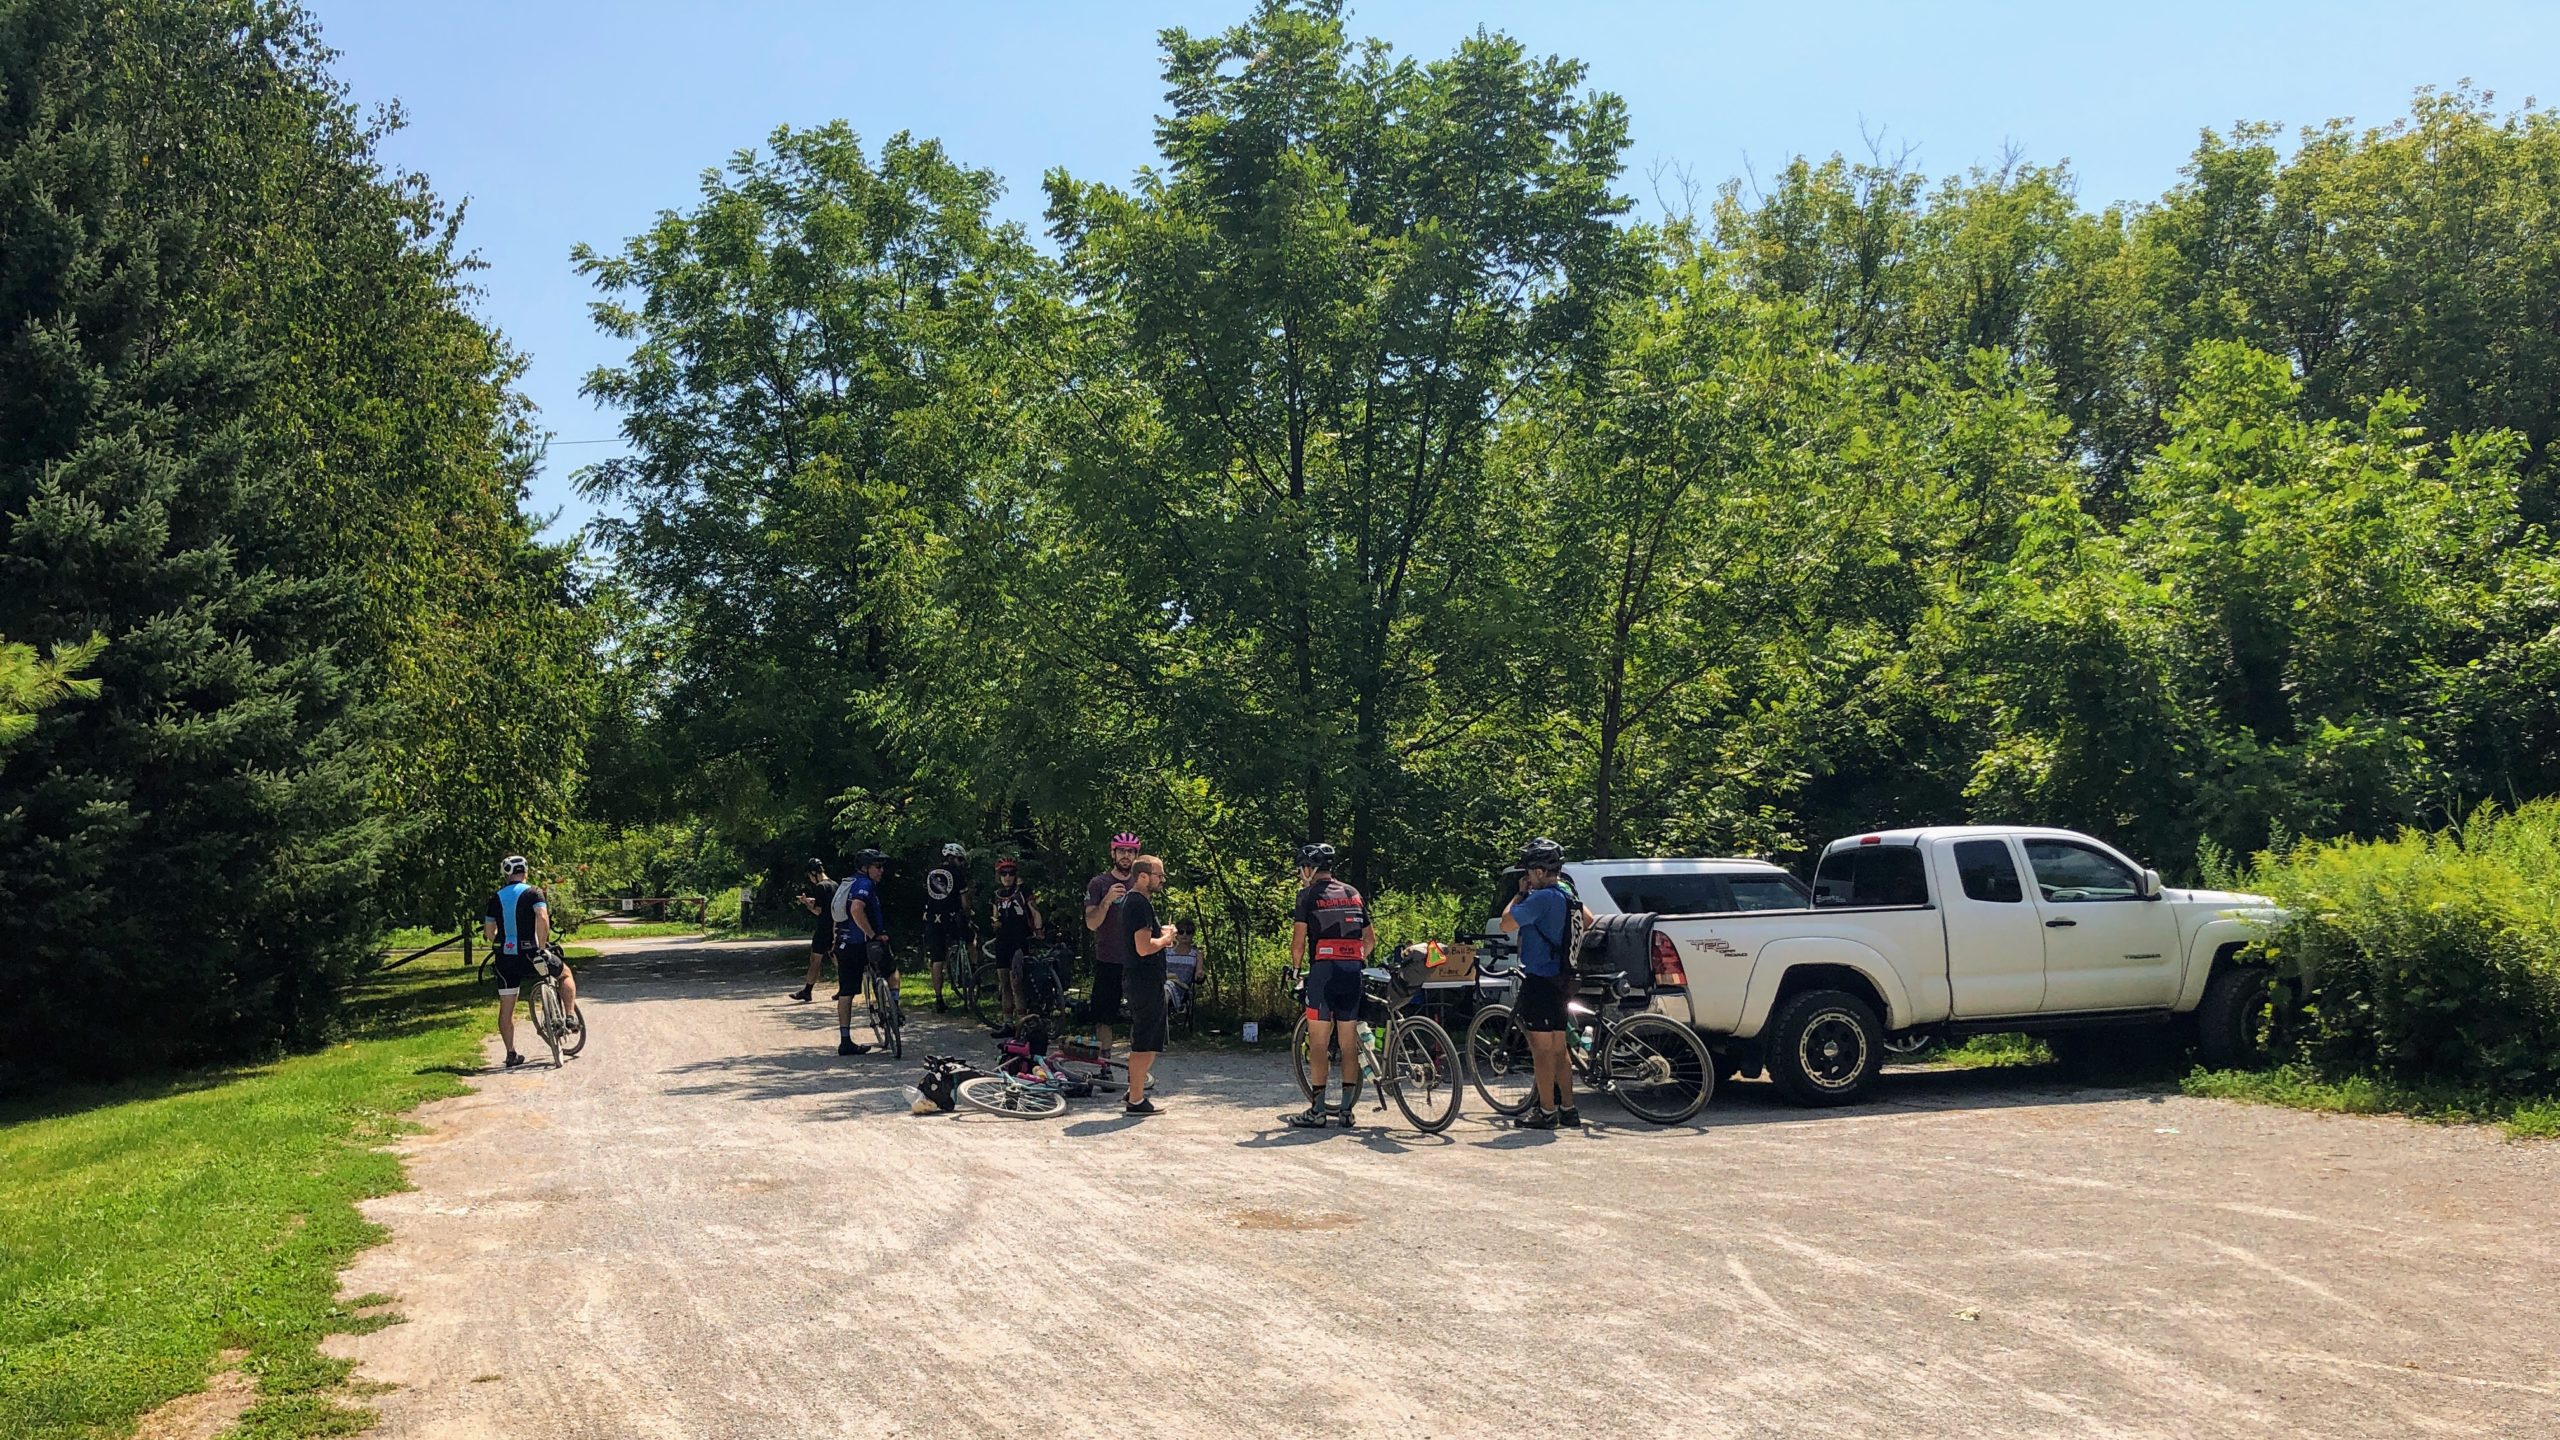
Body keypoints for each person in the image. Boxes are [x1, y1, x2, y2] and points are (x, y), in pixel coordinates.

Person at [1284, 842, 1371, 1128]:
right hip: (1352, 970)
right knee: (1348, 1043)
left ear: (1309, 868)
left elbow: (1299, 943)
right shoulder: (1353, 893)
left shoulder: (1306, 895)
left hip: (1323, 971)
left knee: (1319, 1043)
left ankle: (1318, 1110)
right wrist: (1353, 958)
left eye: (1301, 868)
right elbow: (1370, 940)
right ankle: (1346, 1110)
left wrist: (1296, 971)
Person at [1499, 837, 1579, 1129]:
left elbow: (1506, 923)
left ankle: (1546, 1111)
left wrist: (1519, 896)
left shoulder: (1540, 898)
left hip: (1540, 978)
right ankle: (1568, 1108)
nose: (1529, 878)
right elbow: (1590, 920)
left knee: (1541, 1050)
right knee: (1560, 1047)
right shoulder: (1567, 891)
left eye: (1530, 872)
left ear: (1541, 871)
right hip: (1563, 977)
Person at [482, 855, 578, 1070]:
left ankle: (511, 1053)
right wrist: (542, 946)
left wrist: (505, 940)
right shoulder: (533, 892)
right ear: (525, 871)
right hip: (531, 953)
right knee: (565, 974)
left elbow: (489, 933)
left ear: (506, 874)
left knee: (506, 1007)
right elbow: (542, 918)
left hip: (505, 959)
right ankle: (570, 1016)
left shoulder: (495, 898)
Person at [1114, 854, 1179, 1115]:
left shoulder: (1135, 902)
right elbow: (1143, 947)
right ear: (1142, 876)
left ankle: (1135, 1089)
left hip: (1146, 979)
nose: (1162, 880)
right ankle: (1137, 1100)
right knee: (1143, 1040)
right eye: (1158, 875)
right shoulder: (1138, 903)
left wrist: (1161, 938)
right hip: (1143, 980)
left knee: (1153, 1039)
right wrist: (1166, 938)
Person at [1082, 831, 1142, 1057]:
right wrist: (1107, 901)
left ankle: (1136, 1067)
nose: (1126, 856)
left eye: (1131, 851)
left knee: (1140, 1015)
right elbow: (1091, 923)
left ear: (1137, 855)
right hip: (1108, 959)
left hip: (1138, 958)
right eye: (1122, 851)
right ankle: (1104, 1064)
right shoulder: (1099, 883)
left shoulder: (1141, 882)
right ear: (1113, 853)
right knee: (1103, 1016)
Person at [833, 849, 894, 1056]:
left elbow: (839, 913)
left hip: (844, 944)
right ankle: (892, 1013)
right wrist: (872, 934)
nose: (881, 871)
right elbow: (856, 909)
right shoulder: (864, 884)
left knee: (846, 992)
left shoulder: (847, 882)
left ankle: (845, 1040)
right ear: (865, 868)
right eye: (877, 867)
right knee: (892, 973)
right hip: (864, 945)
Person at [989, 857, 1043, 1024]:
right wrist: (994, 923)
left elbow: (1034, 911)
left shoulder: (1022, 891)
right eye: (1004, 873)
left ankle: (1022, 1021)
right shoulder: (997, 895)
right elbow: (994, 916)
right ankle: (1007, 1022)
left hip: (1019, 941)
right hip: (1002, 941)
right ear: (999, 875)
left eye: (1011, 873)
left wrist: (1039, 931)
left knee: (1016, 983)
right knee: (1004, 983)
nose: (1007, 877)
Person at [921, 842, 973, 1013]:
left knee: (937, 960)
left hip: (931, 919)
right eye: (960, 859)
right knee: (971, 939)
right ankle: (972, 970)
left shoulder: (931, 873)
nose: (961, 863)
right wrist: (968, 914)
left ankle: (939, 999)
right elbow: (964, 901)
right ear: (953, 857)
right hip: (951, 918)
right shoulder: (956, 873)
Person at [788, 859, 836, 1003]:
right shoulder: (834, 885)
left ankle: (807, 991)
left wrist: (808, 906)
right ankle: (845, 987)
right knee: (836, 958)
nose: (810, 879)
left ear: (814, 873)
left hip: (823, 928)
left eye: (810, 876)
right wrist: (810, 900)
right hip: (835, 927)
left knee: (815, 959)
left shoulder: (820, 886)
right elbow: (827, 903)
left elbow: (819, 910)